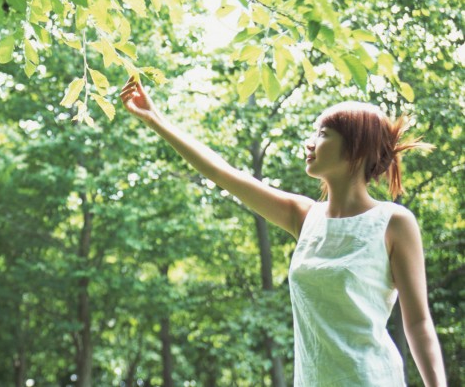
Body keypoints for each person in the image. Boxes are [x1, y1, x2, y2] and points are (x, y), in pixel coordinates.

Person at [119, 76, 447, 386]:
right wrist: (155, 118)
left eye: (323, 134)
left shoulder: (393, 222)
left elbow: (417, 323)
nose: (310, 142)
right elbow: (223, 174)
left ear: (355, 148)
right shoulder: (303, 217)